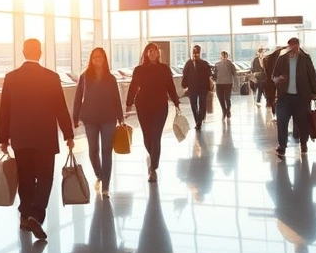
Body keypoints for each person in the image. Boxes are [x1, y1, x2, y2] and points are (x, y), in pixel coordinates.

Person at [0, 39, 74, 240]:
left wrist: (3, 139)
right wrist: (68, 134)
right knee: (45, 177)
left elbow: (4, 109)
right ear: (40, 52)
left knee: (25, 177)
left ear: (24, 52)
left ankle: (24, 216)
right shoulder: (51, 77)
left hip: (20, 137)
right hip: (45, 137)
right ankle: (36, 214)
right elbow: (60, 107)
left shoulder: (11, 77)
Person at [71, 47, 124, 197]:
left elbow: (116, 98)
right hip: (90, 118)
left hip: (108, 118)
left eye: (100, 57)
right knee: (93, 149)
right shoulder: (85, 76)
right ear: (91, 60)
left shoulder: (111, 78)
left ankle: (105, 186)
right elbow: (77, 98)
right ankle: (99, 175)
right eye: (95, 58)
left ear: (104, 59)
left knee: (107, 151)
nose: (97, 60)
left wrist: (120, 117)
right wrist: (75, 117)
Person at [125, 43, 181, 183]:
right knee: (147, 136)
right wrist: (128, 104)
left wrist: (176, 102)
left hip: (160, 106)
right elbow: (133, 87)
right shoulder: (139, 70)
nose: (153, 53)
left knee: (156, 136)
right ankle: (153, 156)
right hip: (143, 106)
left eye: (155, 51)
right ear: (146, 53)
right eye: (150, 51)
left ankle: (153, 168)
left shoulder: (164, 69)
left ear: (158, 54)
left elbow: (170, 86)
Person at [271, 37, 316, 158]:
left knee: (303, 123)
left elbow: (312, 75)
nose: (293, 49)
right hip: (284, 97)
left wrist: (315, 92)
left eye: (295, 46)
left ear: (298, 46)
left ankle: (303, 143)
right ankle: (282, 146)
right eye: (291, 47)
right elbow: (274, 76)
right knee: (281, 122)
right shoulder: (282, 59)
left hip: (301, 97)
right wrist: (279, 79)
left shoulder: (306, 59)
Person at [181, 45, 212, 130]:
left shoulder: (204, 64)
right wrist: (184, 85)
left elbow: (209, 75)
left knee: (202, 104)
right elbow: (185, 74)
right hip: (192, 88)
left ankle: (199, 121)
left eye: (197, 52)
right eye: (194, 52)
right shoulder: (188, 63)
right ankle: (197, 120)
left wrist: (209, 86)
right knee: (193, 105)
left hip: (203, 88)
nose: (195, 54)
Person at [213, 51, 239, 119]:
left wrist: (235, 83)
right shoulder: (217, 64)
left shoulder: (230, 64)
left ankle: (228, 110)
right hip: (219, 83)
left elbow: (234, 73)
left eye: (225, 56)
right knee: (220, 98)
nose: (224, 57)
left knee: (227, 98)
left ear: (227, 56)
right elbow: (214, 75)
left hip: (228, 83)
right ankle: (224, 110)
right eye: (222, 56)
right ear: (220, 56)